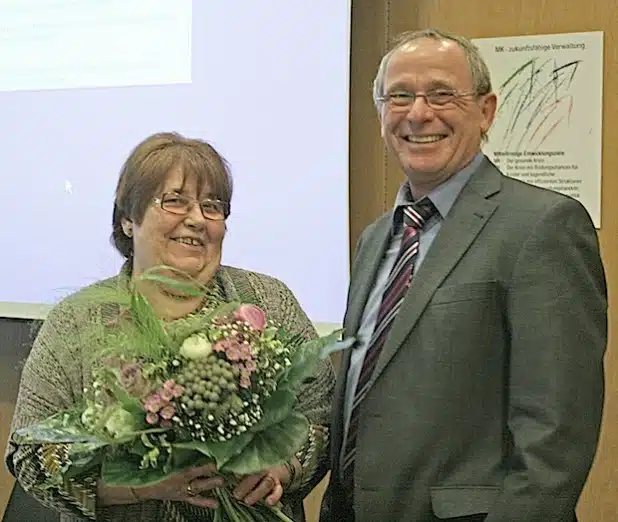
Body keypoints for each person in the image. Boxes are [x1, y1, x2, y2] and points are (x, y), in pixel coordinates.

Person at [320, 29, 607, 522]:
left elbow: (555, 439)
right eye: (400, 96)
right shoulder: (375, 239)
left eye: (441, 94)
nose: (418, 113)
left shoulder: (543, 226)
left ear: (486, 110)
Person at [6, 131, 335, 522]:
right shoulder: (76, 321)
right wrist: (136, 486)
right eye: (175, 201)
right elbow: (30, 453)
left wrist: (283, 467)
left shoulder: (268, 301)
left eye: (213, 206)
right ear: (129, 219)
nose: (197, 219)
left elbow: (323, 415)